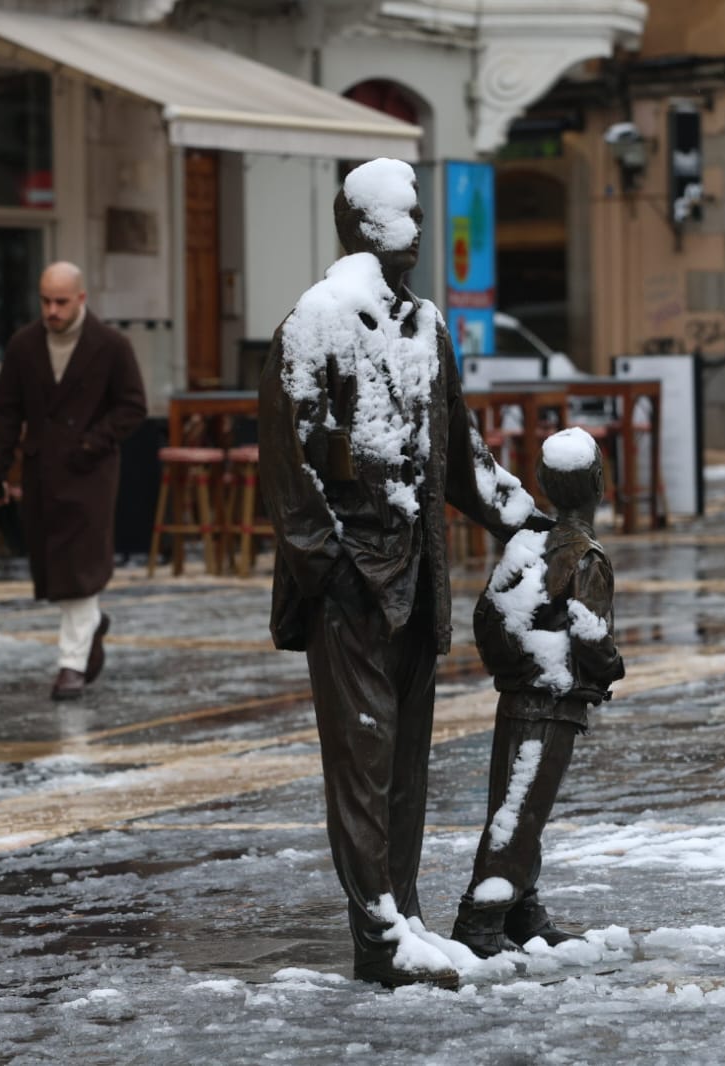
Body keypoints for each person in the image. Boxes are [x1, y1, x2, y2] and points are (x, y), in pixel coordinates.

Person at [260, 158, 549, 989]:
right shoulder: (314, 321)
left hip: (416, 580)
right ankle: (378, 936)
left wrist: (524, 514)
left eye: (417, 212)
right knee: (362, 759)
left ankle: (408, 914)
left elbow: (458, 453)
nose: (415, 227)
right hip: (351, 583)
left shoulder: (425, 324)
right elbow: (287, 470)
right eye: (398, 214)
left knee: (406, 764)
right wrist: (332, 569)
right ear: (356, 225)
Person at [452, 427, 625, 958]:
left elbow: (487, 618)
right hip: (554, 702)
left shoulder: (526, 545)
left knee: (516, 804)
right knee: (521, 812)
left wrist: (513, 667)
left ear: (545, 483)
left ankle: (522, 909)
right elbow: (591, 632)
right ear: (599, 482)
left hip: (518, 695)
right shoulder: (585, 555)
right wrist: (611, 667)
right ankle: (481, 919)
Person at [0, 261, 147, 701]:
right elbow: (5, 411)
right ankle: (91, 625)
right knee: (56, 565)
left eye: (60, 301)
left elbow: (133, 407)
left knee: (80, 564)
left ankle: (71, 665)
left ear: (81, 298)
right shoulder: (24, 345)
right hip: (41, 470)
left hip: (90, 471)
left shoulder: (110, 345)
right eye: (45, 300)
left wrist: (94, 441)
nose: (51, 310)